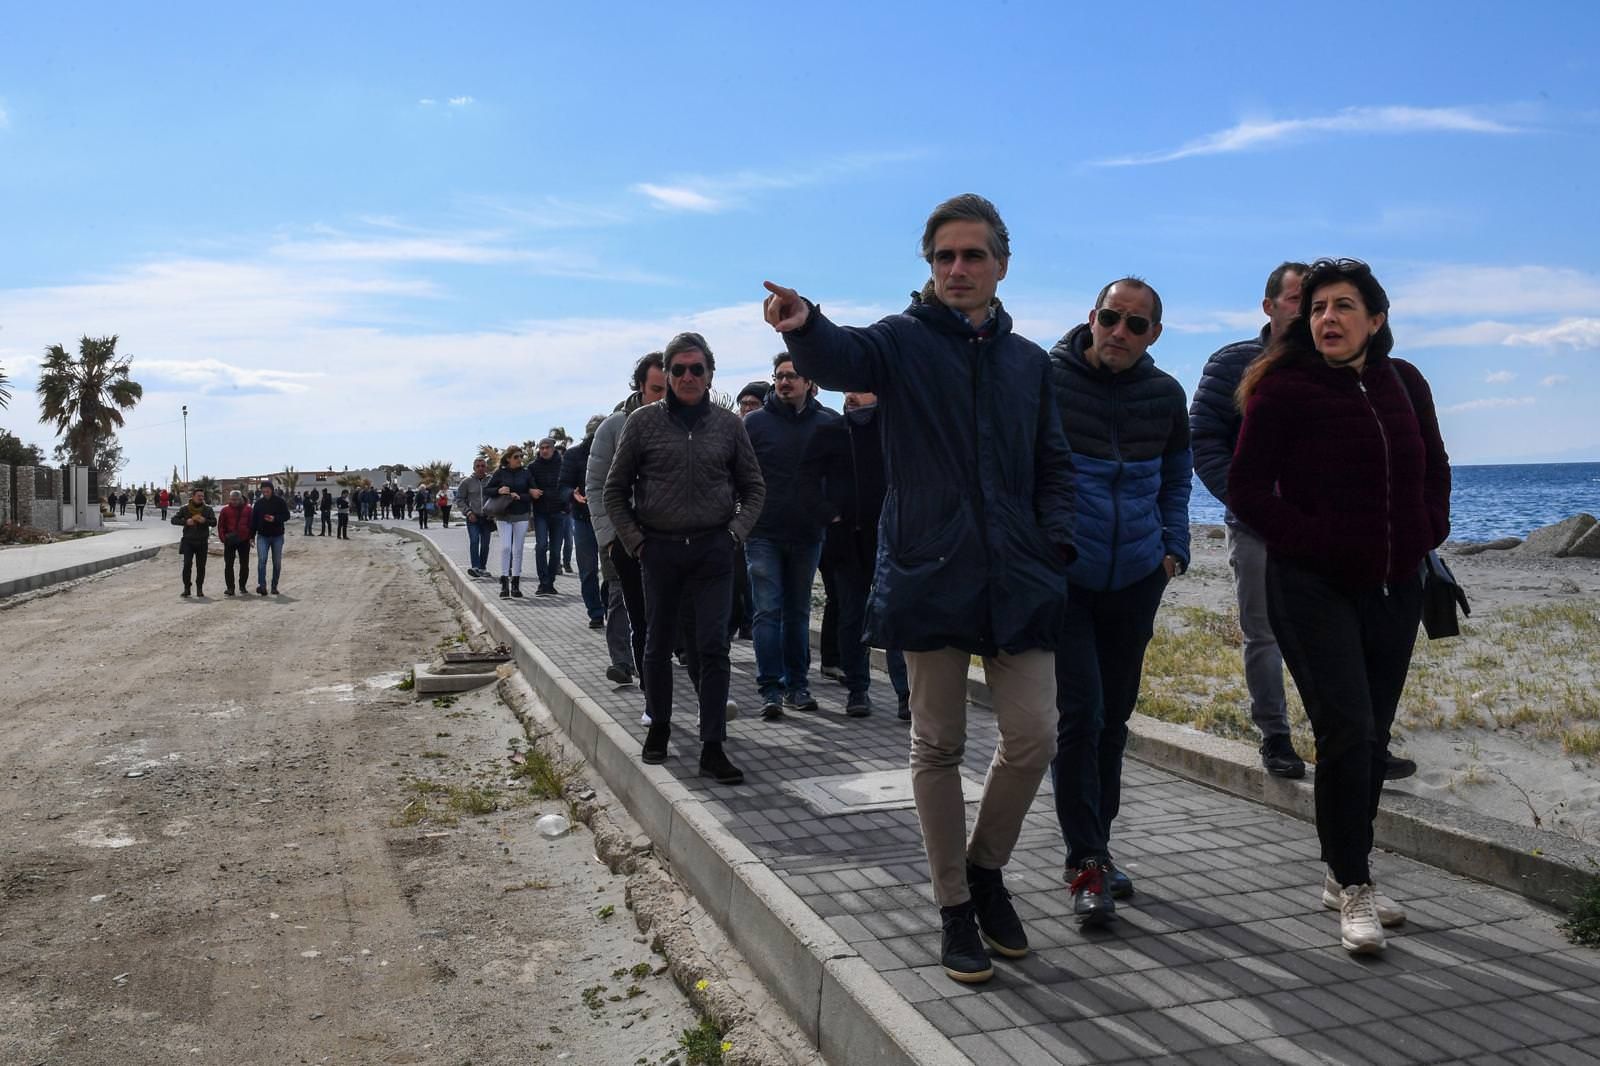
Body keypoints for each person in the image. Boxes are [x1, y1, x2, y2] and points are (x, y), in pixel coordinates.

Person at [763, 193, 1076, 984]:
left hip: (1018, 576)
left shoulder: (1029, 362)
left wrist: (1056, 542)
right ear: (929, 267)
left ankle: (987, 868)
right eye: (944, 257)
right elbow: (841, 357)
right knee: (937, 744)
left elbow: (1054, 464)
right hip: (932, 570)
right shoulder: (901, 342)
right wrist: (803, 323)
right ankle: (954, 908)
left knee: (1036, 733)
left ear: (1002, 264)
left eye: (973, 256)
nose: (958, 269)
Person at [1230, 258, 1449, 955]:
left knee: (1372, 741)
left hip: (1396, 586)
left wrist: (1426, 531)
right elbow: (1247, 488)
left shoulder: (1405, 382)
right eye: (1318, 307)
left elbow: (1435, 468)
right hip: (1311, 588)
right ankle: (1354, 887)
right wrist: (1313, 542)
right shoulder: (1281, 388)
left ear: (1375, 320)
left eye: (1344, 306)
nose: (1327, 318)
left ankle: (1341, 868)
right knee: (1347, 732)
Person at [1047, 277, 1192, 928]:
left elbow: (1176, 476)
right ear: (1092, 317)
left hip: (1136, 578)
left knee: (1114, 723)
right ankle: (1085, 865)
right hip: (1067, 579)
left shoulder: (1165, 395)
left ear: (1154, 334)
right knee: (1080, 716)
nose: (1120, 332)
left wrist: (1174, 548)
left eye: (1137, 325)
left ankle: (1099, 849)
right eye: (1111, 317)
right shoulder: (1048, 381)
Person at [603, 332, 765, 786]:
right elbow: (615, 490)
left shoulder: (730, 426)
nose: (688, 376)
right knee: (657, 644)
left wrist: (734, 534)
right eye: (679, 370)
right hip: (660, 551)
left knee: (713, 647)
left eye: (697, 369)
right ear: (668, 375)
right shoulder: (642, 423)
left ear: (711, 374)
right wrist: (637, 542)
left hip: (714, 551)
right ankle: (658, 726)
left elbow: (754, 488)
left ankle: (713, 745)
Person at [1190, 262, 1311, 780]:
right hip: (1255, 524)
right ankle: (1275, 736)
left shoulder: (1335, 365)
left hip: (1322, 526)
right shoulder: (1234, 363)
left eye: (1316, 301)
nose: (1306, 311)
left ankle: (1353, 735)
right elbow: (1204, 440)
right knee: (1262, 635)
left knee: (1331, 633)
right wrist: (1247, 498)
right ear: (1269, 306)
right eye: (1296, 300)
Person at [797, 390, 910, 718]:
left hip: (892, 541)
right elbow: (804, 479)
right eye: (847, 390)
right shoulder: (830, 431)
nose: (850, 396)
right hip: (845, 542)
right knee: (851, 616)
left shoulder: (895, 431)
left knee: (896, 616)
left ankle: (906, 694)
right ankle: (858, 690)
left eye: (858, 389)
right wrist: (828, 513)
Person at [743, 355, 839, 719]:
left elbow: (842, 473)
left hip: (808, 533)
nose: (785, 382)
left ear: (810, 382)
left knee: (798, 613)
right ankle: (770, 689)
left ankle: (798, 686)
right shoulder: (754, 425)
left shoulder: (828, 423)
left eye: (793, 376)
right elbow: (737, 473)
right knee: (768, 612)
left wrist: (834, 510)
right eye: (780, 376)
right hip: (763, 532)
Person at [588, 353, 668, 695]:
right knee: (621, 599)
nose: (664, 396)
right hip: (621, 536)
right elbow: (595, 485)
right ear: (640, 386)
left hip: (665, 537)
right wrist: (608, 536)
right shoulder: (613, 427)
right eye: (656, 389)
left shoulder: (682, 425)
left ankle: (657, 661)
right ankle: (622, 662)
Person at [561, 415, 608, 629]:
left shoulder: (614, 452)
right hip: (583, 518)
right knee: (588, 570)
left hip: (609, 519)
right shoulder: (574, 455)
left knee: (613, 571)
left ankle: (611, 607)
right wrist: (573, 494)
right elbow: (563, 485)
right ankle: (595, 612)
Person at [485, 446, 535, 598]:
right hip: (503, 514)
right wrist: (498, 491)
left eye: (521, 456)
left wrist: (520, 496)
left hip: (521, 514)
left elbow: (533, 493)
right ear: (508, 459)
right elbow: (487, 490)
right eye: (516, 457)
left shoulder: (526, 473)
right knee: (506, 547)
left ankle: (516, 584)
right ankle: (504, 582)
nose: (520, 459)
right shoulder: (500, 473)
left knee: (518, 549)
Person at [529, 438, 565, 595]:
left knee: (556, 550)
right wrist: (531, 491)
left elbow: (569, 484)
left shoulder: (563, 465)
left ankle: (550, 582)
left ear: (552, 448)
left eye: (547, 448)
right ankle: (543, 582)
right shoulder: (533, 467)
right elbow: (527, 485)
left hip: (559, 512)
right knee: (542, 546)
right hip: (541, 513)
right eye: (541, 448)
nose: (544, 450)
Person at [172, 488, 216, 597]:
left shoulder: (207, 509)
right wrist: (186, 522)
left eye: (202, 496)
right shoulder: (185, 509)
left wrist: (205, 521)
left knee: (201, 566)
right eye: (199, 496)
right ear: (193, 496)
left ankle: (199, 588)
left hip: (202, 542)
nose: (201, 498)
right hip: (188, 541)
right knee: (187, 565)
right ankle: (187, 588)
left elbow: (214, 522)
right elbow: (173, 520)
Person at [456, 456, 494, 577]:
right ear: (473, 468)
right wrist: (468, 512)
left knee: (485, 544)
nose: (480, 468)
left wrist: (493, 513)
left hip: (487, 518)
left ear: (486, 467)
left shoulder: (491, 480)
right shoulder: (466, 482)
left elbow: (497, 496)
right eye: (478, 466)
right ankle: (475, 567)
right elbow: (460, 499)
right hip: (473, 517)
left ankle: (482, 568)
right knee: (474, 541)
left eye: (483, 466)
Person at [252, 479, 290, 595]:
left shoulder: (280, 502)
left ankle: (274, 586)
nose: (265, 493)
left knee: (277, 562)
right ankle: (262, 586)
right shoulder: (258, 503)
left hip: (277, 536)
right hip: (262, 536)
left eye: (267, 491)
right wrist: (251, 536)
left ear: (272, 490)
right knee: (262, 560)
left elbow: (286, 516)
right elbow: (253, 520)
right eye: (263, 492)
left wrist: (275, 518)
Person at [217, 489, 253, 595]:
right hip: (230, 540)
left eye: (236, 499)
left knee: (244, 564)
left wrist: (250, 537)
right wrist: (223, 539)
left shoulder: (248, 510)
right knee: (228, 565)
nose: (234, 502)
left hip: (244, 540)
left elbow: (251, 525)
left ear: (241, 498)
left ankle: (242, 586)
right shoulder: (225, 510)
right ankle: (230, 588)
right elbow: (221, 526)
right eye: (232, 499)